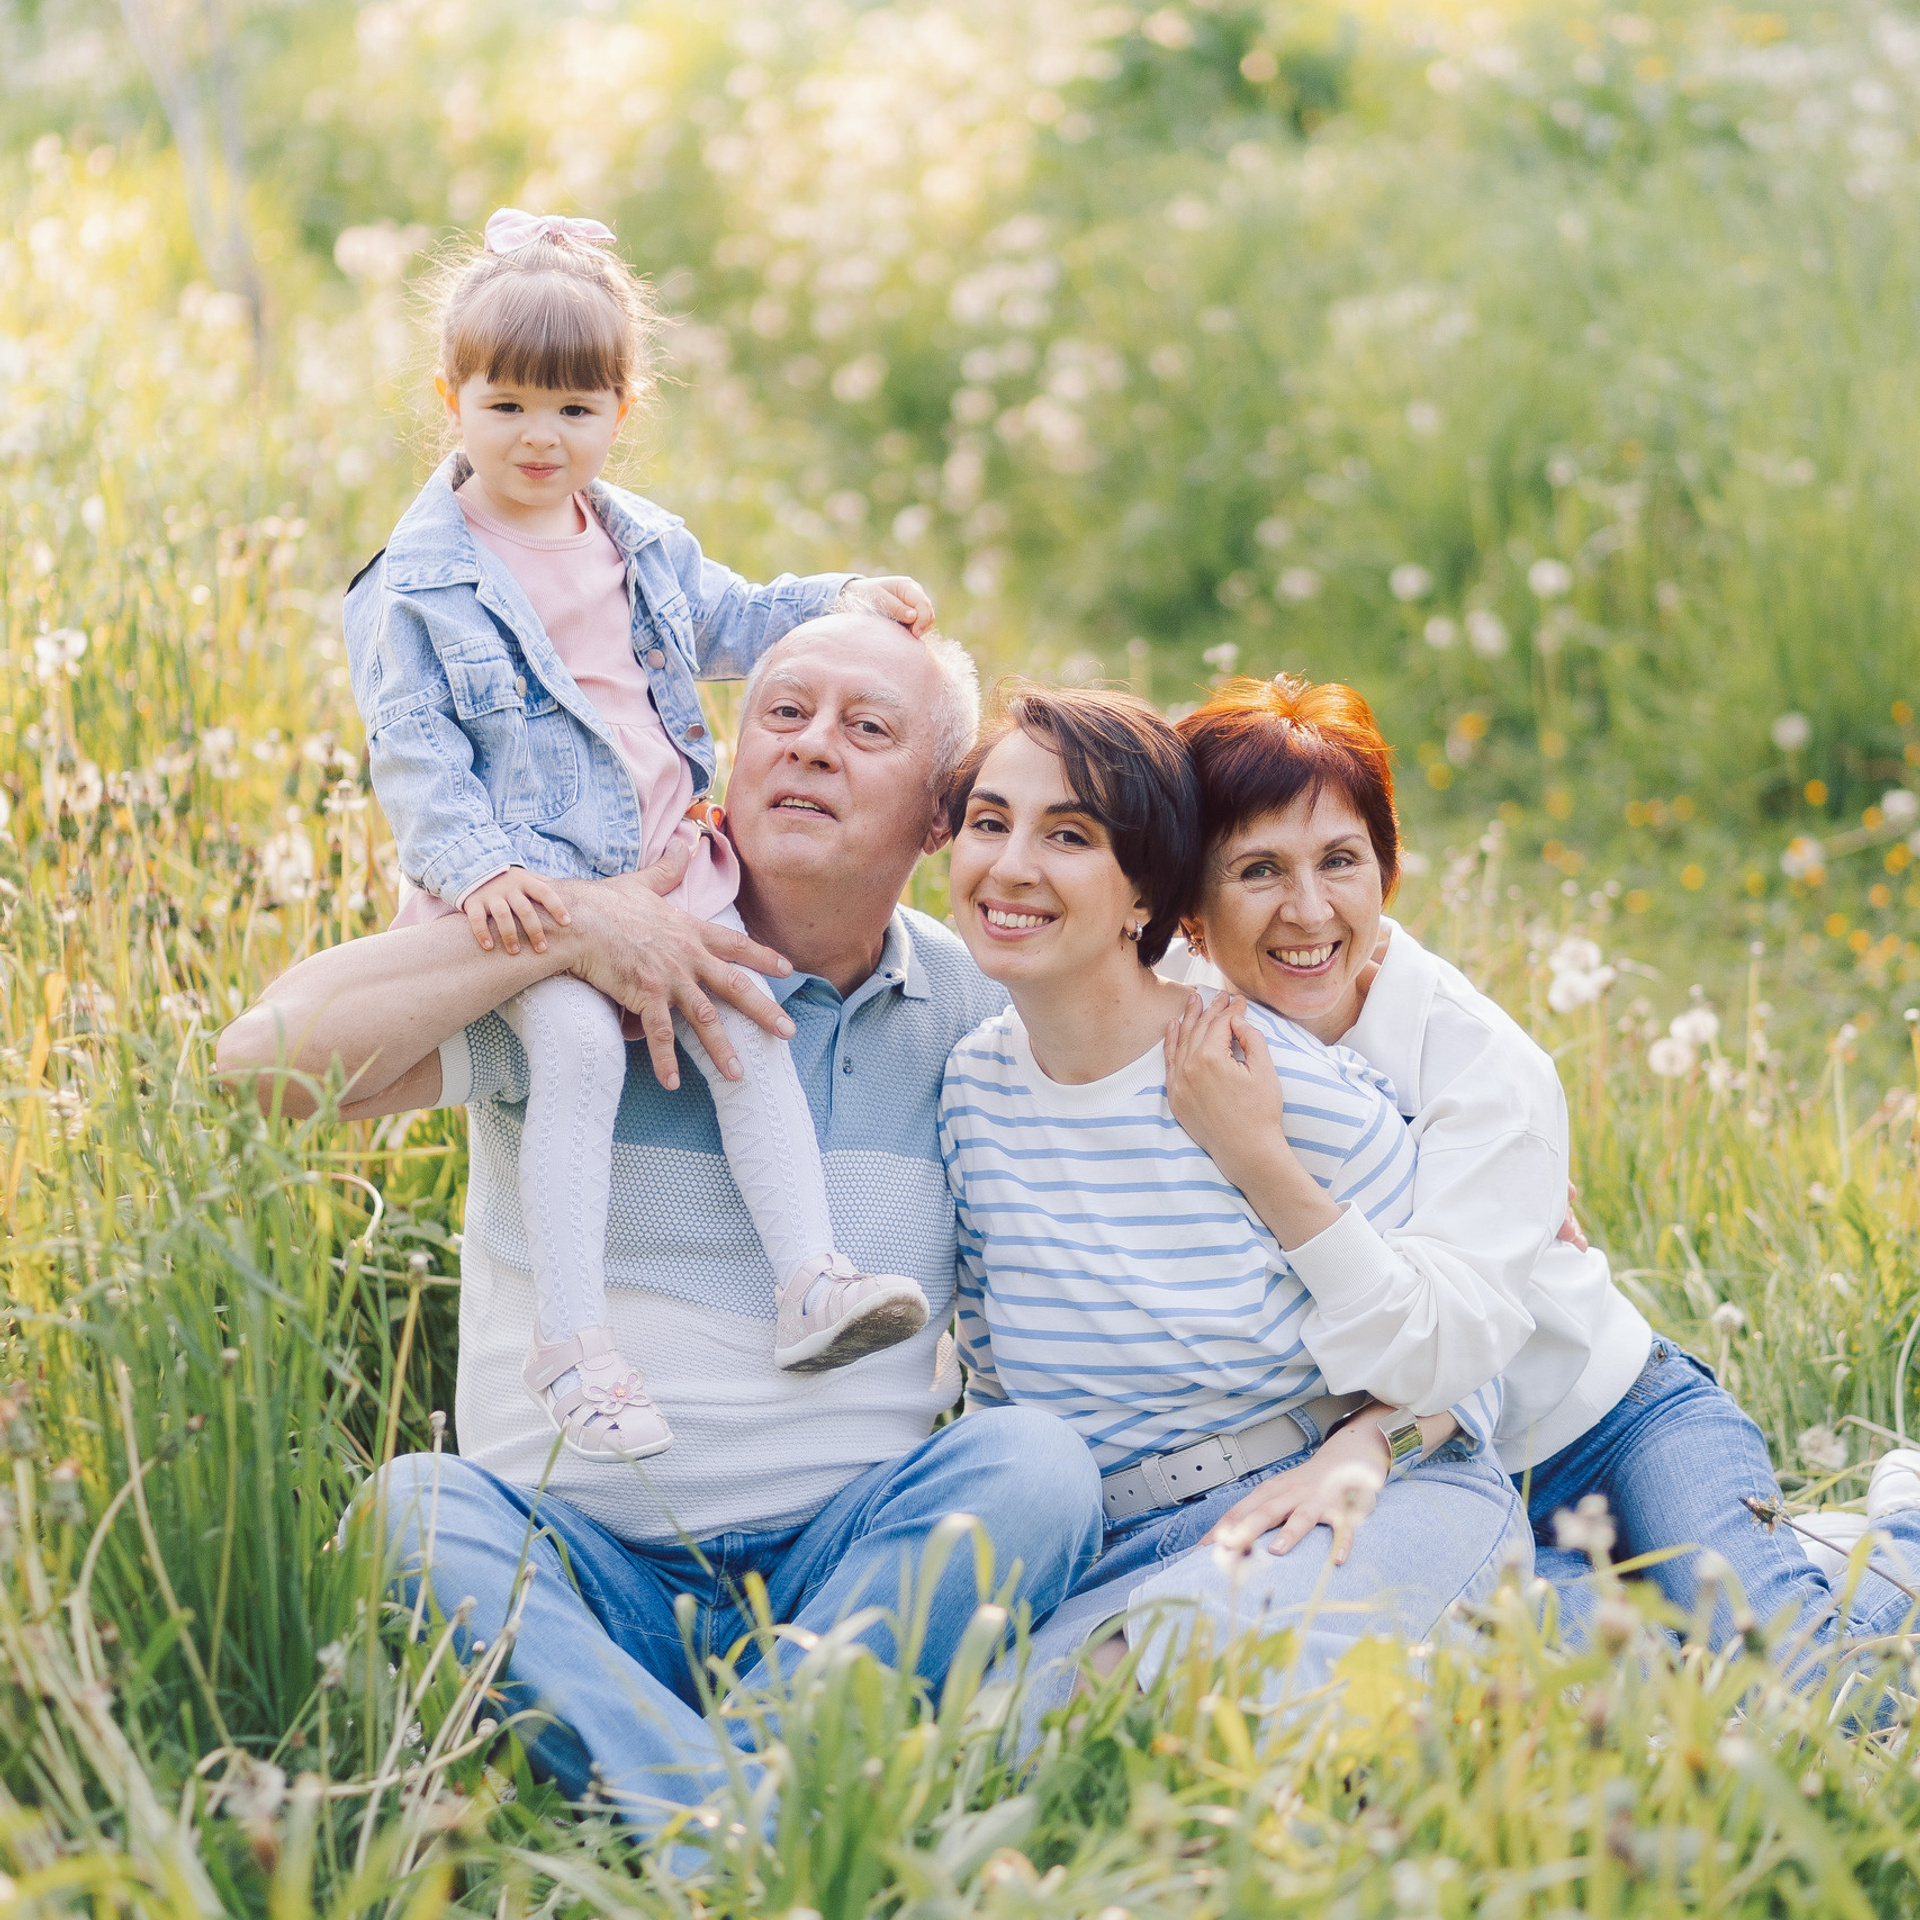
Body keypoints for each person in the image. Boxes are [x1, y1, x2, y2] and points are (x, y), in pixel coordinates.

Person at [216, 612, 1104, 1827]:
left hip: (848, 1570)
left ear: (941, 815)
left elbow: (1187, 997)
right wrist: (572, 927)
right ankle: (749, 1800)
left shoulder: (969, 1006)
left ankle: (676, 1794)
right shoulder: (573, 976)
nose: (810, 748)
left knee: (1039, 1468)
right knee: (411, 1515)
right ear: (719, 762)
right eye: (782, 713)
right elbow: (264, 1064)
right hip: (585, 1571)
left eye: (868, 729)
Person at [1166, 671, 1920, 1682]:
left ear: (1386, 872)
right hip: (1449, 1480)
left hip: (1613, 1419)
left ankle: (1902, 1537)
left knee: (1802, 1675)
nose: (1309, 910)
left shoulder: (1482, 1064)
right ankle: (1812, 1553)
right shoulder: (1173, 1027)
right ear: (1188, 910)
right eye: (1258, 869)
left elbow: (1440, 1348)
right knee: (1621, 1680)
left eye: (1341, 860)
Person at [348, 206, 936, 1463]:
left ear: (622, 408)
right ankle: (570, 1342)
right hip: (527, 895)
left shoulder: (641, 541)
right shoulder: (419, 580)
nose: (539, 439)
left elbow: (733, 624)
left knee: (749, 1028)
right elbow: (416, 751)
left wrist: (840, 598)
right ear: (450, 399)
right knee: (573, 1054)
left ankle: (809, 1282)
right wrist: (480, 873)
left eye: (573, 409)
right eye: (506, 405)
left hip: (671, 873)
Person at [935, 684, 1529, 1718]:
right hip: (1119, 1545)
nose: (1012, 864)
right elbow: (992, 1378)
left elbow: (1464, 1353)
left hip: (1346, 1491)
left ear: (1146, 899)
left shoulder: (1262, 1074)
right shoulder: (969, 1095)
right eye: (990, 823)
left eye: (1068, 834)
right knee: (974, 1746)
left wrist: (1367, 1448)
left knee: (1177, 1680)